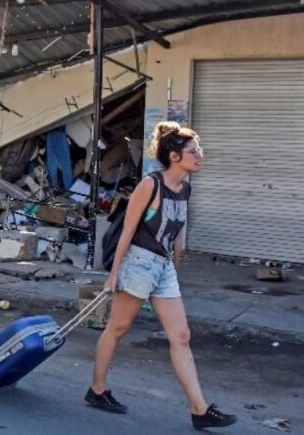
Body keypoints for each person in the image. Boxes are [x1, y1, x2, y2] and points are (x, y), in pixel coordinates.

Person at [85, 121, 237, 430]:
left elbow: (176, 233)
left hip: (163, 268)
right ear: (174, 156)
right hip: (138, 262)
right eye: (193, 151)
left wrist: (175, 268)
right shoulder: (150, 185)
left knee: (181, 336)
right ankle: (97, 389)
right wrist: (113, 274)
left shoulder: (185, 189)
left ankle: (200, 409)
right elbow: (127, 229)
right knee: (118, 328)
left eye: (200, 150)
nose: (200, 156)